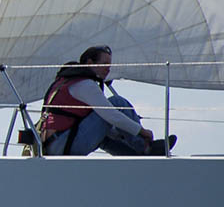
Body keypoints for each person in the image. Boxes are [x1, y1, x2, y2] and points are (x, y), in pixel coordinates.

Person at [40, 45, 176, 156]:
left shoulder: (66, 82)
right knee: (117, 103)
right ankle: (146, 147)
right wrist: (142, 131)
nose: (108, 68)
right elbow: (112, 116)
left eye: (109, 64)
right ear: (89, 63)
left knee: (107, 131)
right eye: (104, 63)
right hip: (66, 143)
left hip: (54, 145)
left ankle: (137, 156)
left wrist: (122, 134)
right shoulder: (85, 85)